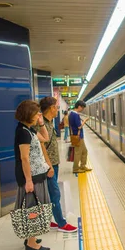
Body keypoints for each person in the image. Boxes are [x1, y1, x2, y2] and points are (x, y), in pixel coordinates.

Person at [14, 100, 52, 250]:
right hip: (32, 177)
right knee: (33, 208)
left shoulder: (28, 129)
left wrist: (41, 123)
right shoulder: (23, 132)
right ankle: (31, 243)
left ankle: (32, 237)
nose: (39, 115)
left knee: (36, 206)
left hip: (37, 175)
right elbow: (24, 158)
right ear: (28, 114)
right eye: (36, 113)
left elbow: (45, 138)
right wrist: (28, 181)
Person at [36, 98, 77, 233]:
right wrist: (49, 166)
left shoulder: (48, 123)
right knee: (55, 194)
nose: (57, 110)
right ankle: (61, 224)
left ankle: (49, 219)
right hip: (48, 166)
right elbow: (41, 148)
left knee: (50, 194)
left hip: (53, 164)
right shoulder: (41, 125)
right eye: (56, 107)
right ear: (51, 108)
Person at [69, 100, 91, 174]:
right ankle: (75, 168)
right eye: (82, 108)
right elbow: (79, 127)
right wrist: (85, 121)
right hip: (78, 137)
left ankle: (82, 166)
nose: (82, 109)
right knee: (78, 153)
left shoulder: (71, 114)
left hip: (77, 136)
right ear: (79, 106)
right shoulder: (75, 115)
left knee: (84, 151)